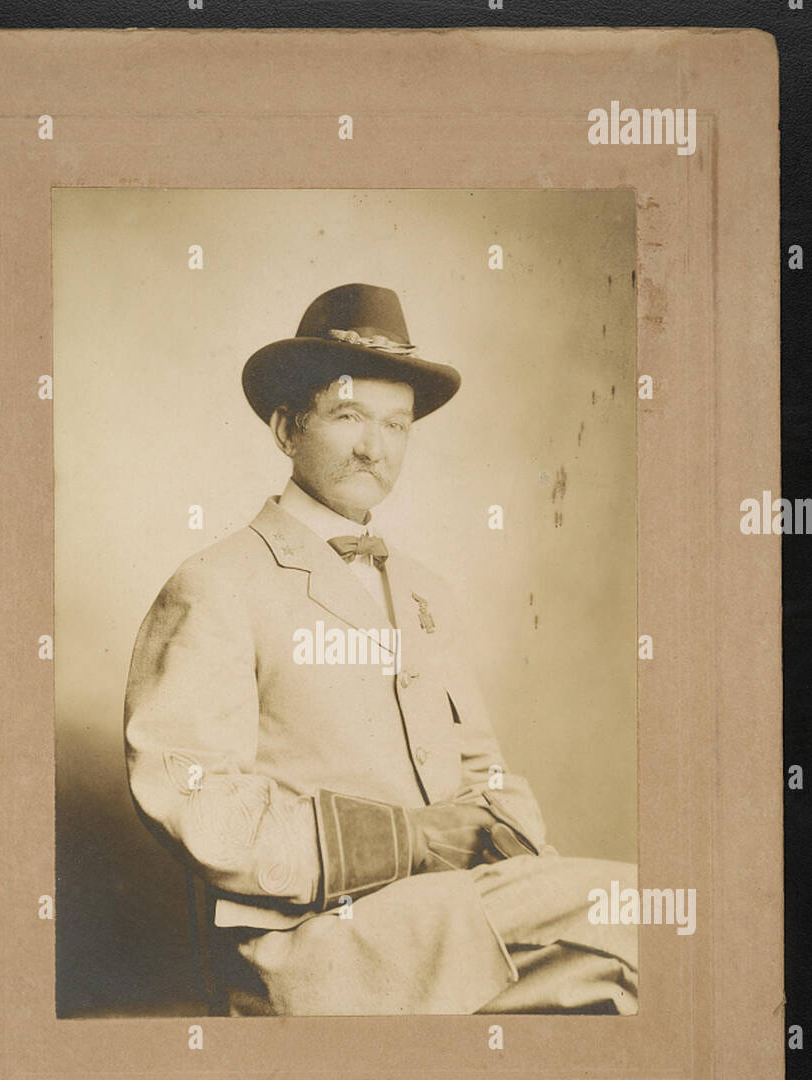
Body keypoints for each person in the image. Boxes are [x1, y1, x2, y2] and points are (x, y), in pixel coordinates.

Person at [124, 283, 637, 1016]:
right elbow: (197, 804)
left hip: (446, 919)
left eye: (397, 426)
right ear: (285, 428)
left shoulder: (426, 592)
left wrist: (511, 846)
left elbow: (479, 768)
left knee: (652, 959)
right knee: (644, 918)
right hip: (315, 947)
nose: (375, 446)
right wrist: (413, 840)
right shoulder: (216, 584)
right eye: (348, 416)